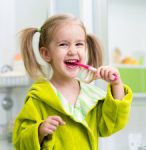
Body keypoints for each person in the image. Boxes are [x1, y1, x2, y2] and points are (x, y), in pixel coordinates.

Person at [12, 14, 132, 150]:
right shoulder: (39, 98)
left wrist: (116, 84)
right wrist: (39, 131)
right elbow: (20, 141)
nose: (73, 51)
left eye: (79, 44)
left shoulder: (92, 97)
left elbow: (113, 124)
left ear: (85, 48)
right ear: (46, 54)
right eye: (63, 44)